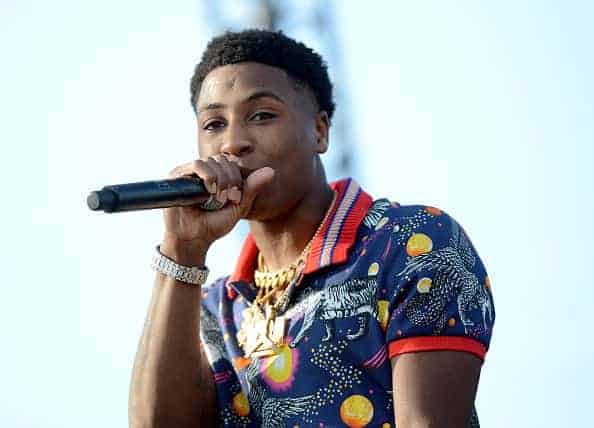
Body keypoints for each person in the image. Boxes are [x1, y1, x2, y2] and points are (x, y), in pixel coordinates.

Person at [128, 29, 495, 428]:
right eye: (214, 124)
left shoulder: (412, 244)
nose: (232, 143)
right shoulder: (216, 307)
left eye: (262, 115)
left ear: (320, 131)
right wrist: (182, 251)